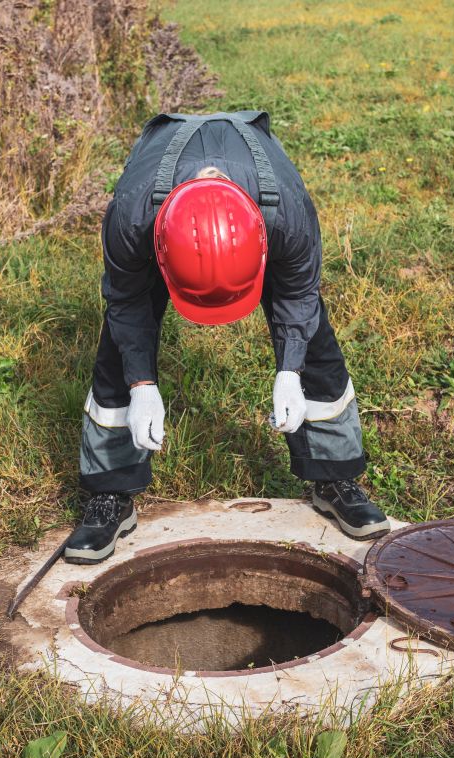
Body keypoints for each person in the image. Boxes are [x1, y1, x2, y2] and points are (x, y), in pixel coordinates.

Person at [64, 111, 390, 564]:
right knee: (120, 344)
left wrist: (290, 372)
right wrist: (140, 385)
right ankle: (110, 493)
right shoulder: (133, 216)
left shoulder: (287, 212)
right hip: (156, 216)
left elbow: (298, 295)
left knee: (313, 336)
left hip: (266, 213)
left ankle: (335, 477)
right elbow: (126, 303)